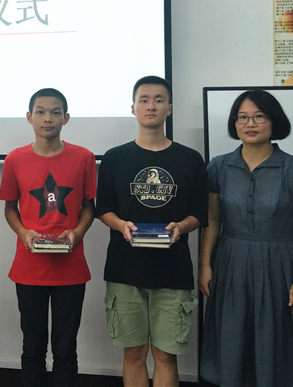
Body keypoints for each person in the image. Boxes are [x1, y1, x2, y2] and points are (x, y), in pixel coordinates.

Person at [95, 76, 208, 387]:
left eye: (159, 100)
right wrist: (121, 225)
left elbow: (200, 214)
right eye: (143, 100)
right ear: (133, 108)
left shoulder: (190, 159)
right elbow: (103, 209)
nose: (151, 106)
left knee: (165, 356)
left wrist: (182, 226)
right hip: (125, 270)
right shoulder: (115, 157)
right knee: (133, 354)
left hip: (172, 272)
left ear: (169, 108)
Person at [199, 90, 293, 387]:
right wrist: (205, 264)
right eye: (242, 117)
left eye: (259, 116)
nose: (250, 124)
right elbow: (212, 220)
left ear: (274, 121)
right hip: (230, 264)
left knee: (279, 343)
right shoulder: (219, 166)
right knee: (232, 339)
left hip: (281, 266)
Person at [0, 88, 96, 387]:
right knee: (32, 346)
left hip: (71, 269)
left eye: (55, 112)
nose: (48, 118)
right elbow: (10, 209)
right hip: (29, 269)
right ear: (29, 117)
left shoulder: (84, 158)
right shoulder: (15, 159)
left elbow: (89, 207)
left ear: (66, 118)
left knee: (66, 348)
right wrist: (23, 232)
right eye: (40, 111)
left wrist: (77, 232)